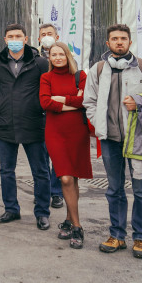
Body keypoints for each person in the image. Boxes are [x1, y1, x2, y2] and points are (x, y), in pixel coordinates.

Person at [84, 24, 142, 259]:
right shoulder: (98, 70)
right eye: (115, 39)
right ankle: (117, 235)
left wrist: (140, 102)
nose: (119, 42)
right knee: (114, 190)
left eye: (123, 38)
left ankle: (141, 237)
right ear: (108, 43)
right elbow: (89, 101)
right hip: (110, 140)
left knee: (141, 190)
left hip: (138, 140)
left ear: (130, 42)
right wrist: (99, 123)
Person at [0, 23, 51, 230]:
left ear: (26, 39)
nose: (14, 40)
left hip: (34, 123)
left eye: (18, 36)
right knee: (7, 171)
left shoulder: (40, 63)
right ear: (5, 40)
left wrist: (35, 108)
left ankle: (42, 212)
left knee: (40, 171)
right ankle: (11, 209)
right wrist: (4, 106)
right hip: (6, 124)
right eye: (10, 37)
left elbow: (46, 89)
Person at [39, 42, 93, 249]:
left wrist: (60, 100)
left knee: (74, 177)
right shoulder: (46, 77)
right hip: (55, 133)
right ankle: (78, 226)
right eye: (54, 55)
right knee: (65, 177)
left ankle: (69, 221)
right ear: (50, 58)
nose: (58, 58)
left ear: (68, 56)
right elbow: (45, 103)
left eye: (61, 54)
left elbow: (85, 101)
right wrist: (72, 102)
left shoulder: (80, 76)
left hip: (77, 132)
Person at [37, 23, 64, 209]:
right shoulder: (34, 57)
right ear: (39, 39)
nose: (46, 37)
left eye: (50, 33)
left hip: (58, 113)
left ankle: (56, 192)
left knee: (57, 155)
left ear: (57, 37)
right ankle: (43, 191)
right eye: (43, 34)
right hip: (39, 113)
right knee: (41, 156)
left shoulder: (64, 56)